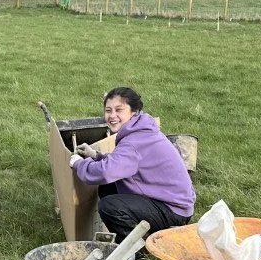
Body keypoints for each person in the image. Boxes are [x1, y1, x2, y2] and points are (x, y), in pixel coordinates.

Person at [70, 86, 194, 243]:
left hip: (174, 212)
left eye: (119, 110)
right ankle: (136, 234)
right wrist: (96, 156)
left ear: (133, 112)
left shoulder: (134, 141)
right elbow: (124, 163)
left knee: (109, 206)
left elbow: (106, 172)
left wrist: (79, 163)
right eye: (108, 110)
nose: (112, 116)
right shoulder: (141, 130)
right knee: (108, 187)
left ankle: (140, 249)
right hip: (172, 201)